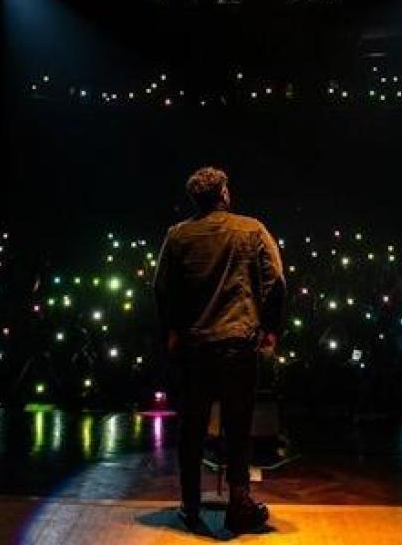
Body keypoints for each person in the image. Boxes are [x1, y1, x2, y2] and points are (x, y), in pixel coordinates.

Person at [153, 166, 286, 535]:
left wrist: (172, 331)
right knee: (238, 427)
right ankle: (238, 504)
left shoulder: (178, 236)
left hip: (195, 347)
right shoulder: (252, 229)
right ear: (224, 193)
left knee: (192, 429)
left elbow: (161, 289)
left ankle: (190, 506)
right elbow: (276, 280)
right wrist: (271, 328)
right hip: (238, 343)